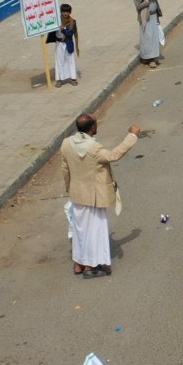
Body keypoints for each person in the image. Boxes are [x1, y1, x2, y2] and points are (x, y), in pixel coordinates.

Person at [60, 114, 140, 277]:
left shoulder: (67, 143)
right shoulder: (94, 148)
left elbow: (65, 170)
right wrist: (132, 136)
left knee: (80, 230)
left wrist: (71, 190)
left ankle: (79, 263)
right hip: (94, 196)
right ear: (92, 128)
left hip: (77, 194)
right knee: (95, 231)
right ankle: (91, 266)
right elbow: (114, 155)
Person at [133, 0, 163, 68]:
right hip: (146, 18)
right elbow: (138, 6)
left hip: (154, 16)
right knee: (147, 38)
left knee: (154, 37)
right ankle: (148, 59)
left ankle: (155, 57)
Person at [46, 3, 80, 86]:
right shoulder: (56, 21)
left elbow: (70, 34)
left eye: (67, 12)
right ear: (61, 12)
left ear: (70, 12)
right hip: (59, 43)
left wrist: (63, 29)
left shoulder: (72, 22)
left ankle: (73, 78)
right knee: (59, 61)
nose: (65, 13)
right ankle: (59, 80)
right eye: (64, 12)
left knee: (70, 60)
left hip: (68, 43)